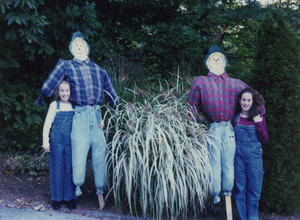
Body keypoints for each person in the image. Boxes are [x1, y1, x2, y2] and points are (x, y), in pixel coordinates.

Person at [38, 31, 119, 210]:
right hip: (79, 114)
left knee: (100, 153)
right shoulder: (66, 66)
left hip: (96, 115)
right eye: (76, 46)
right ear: (72, 49)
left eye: (82, 45)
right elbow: (53, 82)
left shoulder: (99, 70)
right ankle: (76, 188)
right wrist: (45, 93)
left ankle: (100, 190)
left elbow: (110, 92)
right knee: (78, 155)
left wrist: (116, 106)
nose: (79, 47)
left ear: (87, 48)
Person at [188, 45, 265, 219]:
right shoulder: (200, 82)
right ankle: (216, 194)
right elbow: (192, 106)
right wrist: (192, 127)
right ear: (208, 61)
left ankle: (228, 195)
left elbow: (255, 97)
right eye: (213, 58)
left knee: (229, 163)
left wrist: (258, 115)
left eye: (219, 58)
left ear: (223, 61)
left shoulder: (235, 83)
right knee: (214, 162)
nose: (216, 61)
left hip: (229, 129)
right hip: (214, 128)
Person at [232, 88, 268, 220]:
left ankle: (252, 218)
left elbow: (264, 139)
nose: (246, 103)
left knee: (254, 191)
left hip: (254, 158)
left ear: (252, 102)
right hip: (239, 158)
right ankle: (242, 217)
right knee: (240, 190)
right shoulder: (235, 119)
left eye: (248, 100)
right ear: (240, 101)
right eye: (243, 100)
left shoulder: (258, 117)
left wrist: (259, 124)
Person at [42, 80, 76, 210]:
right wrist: (46, 142)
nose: (64, 93)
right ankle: (56, 198)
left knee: (70, 168)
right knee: (56, 168)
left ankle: (70, 198)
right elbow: (47, 124)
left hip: (71, 141)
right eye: (62, 90)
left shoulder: (74, 106)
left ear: (70, 92)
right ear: (58, 92)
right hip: (56, 140)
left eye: (67, 90)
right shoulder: (54, 105)